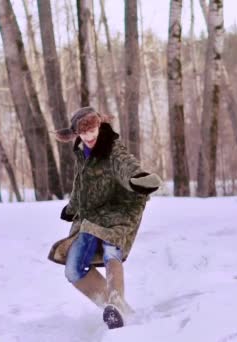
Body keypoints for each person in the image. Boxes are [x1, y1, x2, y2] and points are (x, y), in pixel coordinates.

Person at [48, 106, 161, 329]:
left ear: (100, 125)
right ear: (77, 134)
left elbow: (125, 165)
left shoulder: (112, 148)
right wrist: (72, 208)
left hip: (120, 211)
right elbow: (81, 187)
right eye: (84, 132)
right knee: (72, 269)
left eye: (93, 130)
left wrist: (137, 179)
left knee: (111, 250)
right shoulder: (82, 154)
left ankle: (116, 305)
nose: (90, 136)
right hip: (92, 218)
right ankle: (117, 311)